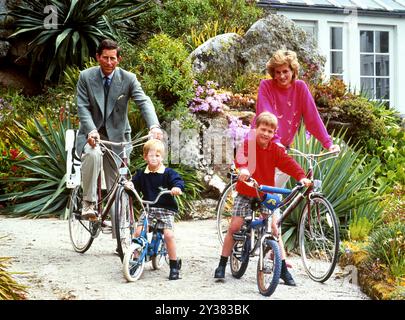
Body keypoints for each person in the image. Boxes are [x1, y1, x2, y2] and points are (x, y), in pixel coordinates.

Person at [253, 49, 341, 283]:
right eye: (278, 72)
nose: (282, 76)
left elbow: (312, 118)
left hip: (282, 150)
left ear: (293, 72)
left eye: (286, 72)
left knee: (276, 201)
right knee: (270, 199)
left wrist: (328, 143)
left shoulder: (300, 88)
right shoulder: (266, 86)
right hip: (264, 146)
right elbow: (265, 114)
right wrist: (276, 141)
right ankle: (272, 249)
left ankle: (272, 243)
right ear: (273, 73)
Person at [214, 112, 312, 285]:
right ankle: (222, 263)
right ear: (255, 129)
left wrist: (301, 176)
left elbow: (289, 163)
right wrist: (243, 169)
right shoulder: (248, 145)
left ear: (274, 134)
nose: (266, 133)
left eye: (270, 131)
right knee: (235, 226)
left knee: (274, 228)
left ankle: (282, 270)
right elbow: (241, 159)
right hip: (246, 191)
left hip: (265, 193)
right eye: (263, 129)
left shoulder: (275, 150)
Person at [75, 39, 162, 223]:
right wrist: (91, 130)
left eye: (112, 58)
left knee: (118, 185)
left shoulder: (128, 79)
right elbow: (82, 107)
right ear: (97, 57)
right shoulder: (85, 77)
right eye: (105, 58)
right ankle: (89, 203)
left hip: (117, 138)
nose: (109, 62)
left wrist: (153, 126)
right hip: (92, 135)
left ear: (119, 59)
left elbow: (143, 101)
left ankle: (121, 239)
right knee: (93, 154)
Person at [125, 139, 184, 280]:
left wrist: (177, 188)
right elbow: (134, 186)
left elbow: (178, 181)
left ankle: (174, 265)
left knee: (168, 235)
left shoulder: (168, 173)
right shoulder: (142, 174)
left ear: (162, 157)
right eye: (151, 155)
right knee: (138, 232)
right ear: (145, 157)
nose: (154, 158)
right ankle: (135, 259)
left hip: (166, 209)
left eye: (157, 156)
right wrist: (130, 186)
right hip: (149, 209)